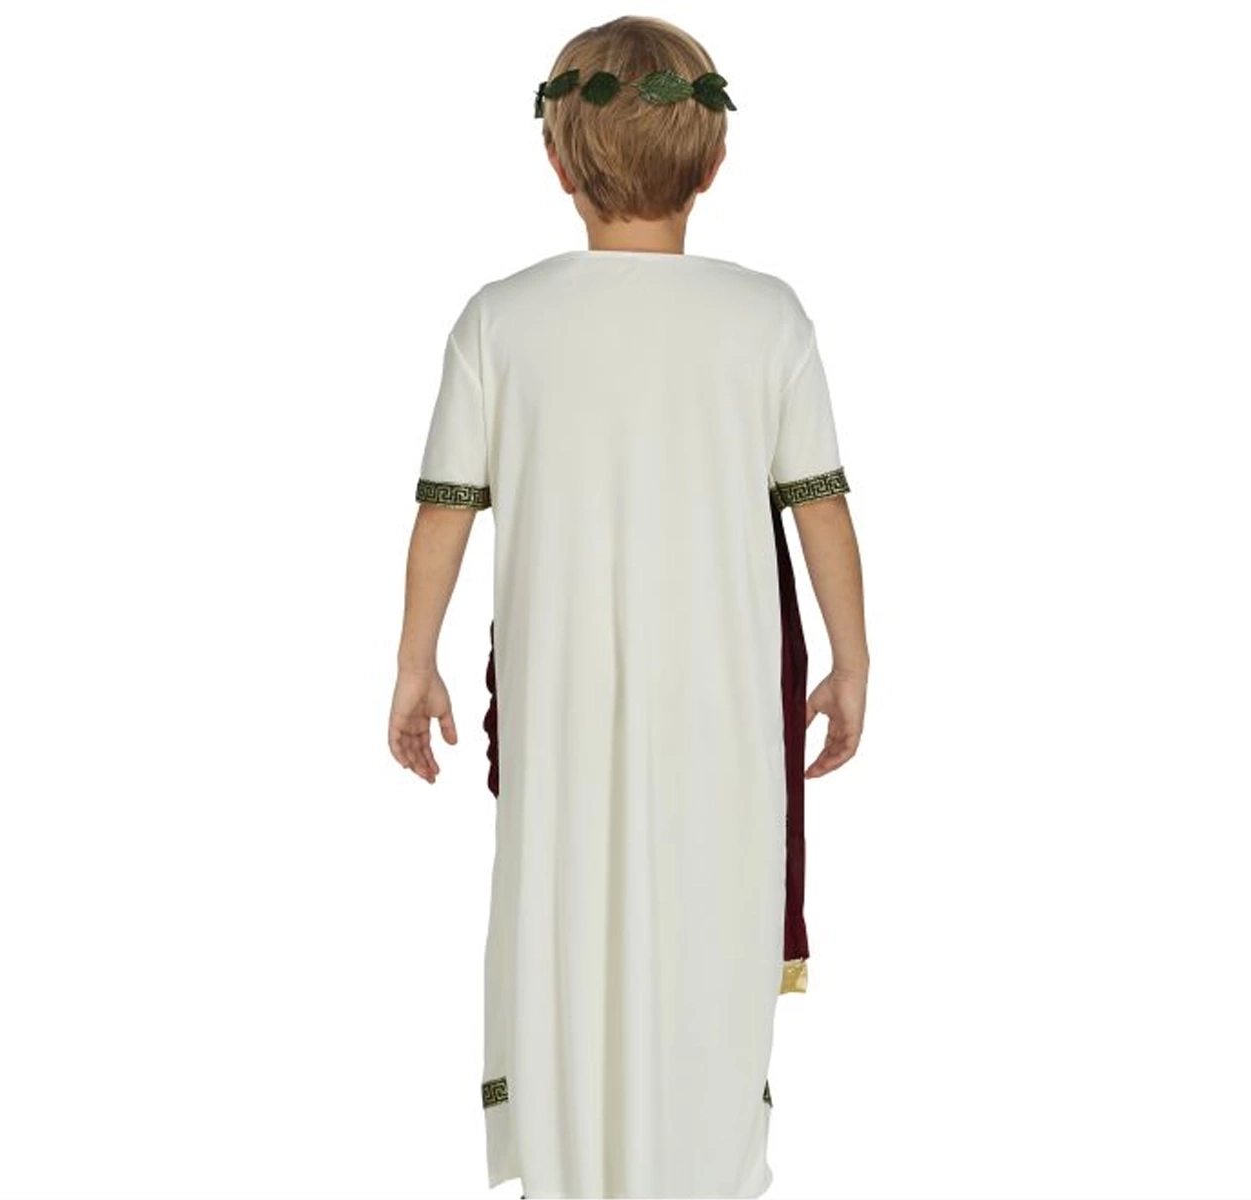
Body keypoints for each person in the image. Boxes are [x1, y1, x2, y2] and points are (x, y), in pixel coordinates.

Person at [388, 16, 869, 1198]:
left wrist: (415, 662)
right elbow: (820, 511)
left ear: (555, 158)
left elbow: (445, 513)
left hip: (561, 701)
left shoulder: (501, 318)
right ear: (715, 159)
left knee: (565, 923)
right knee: (707, 916)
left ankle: (573, 1169)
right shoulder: (766, 317)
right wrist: (851, 661)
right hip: (719, 710)